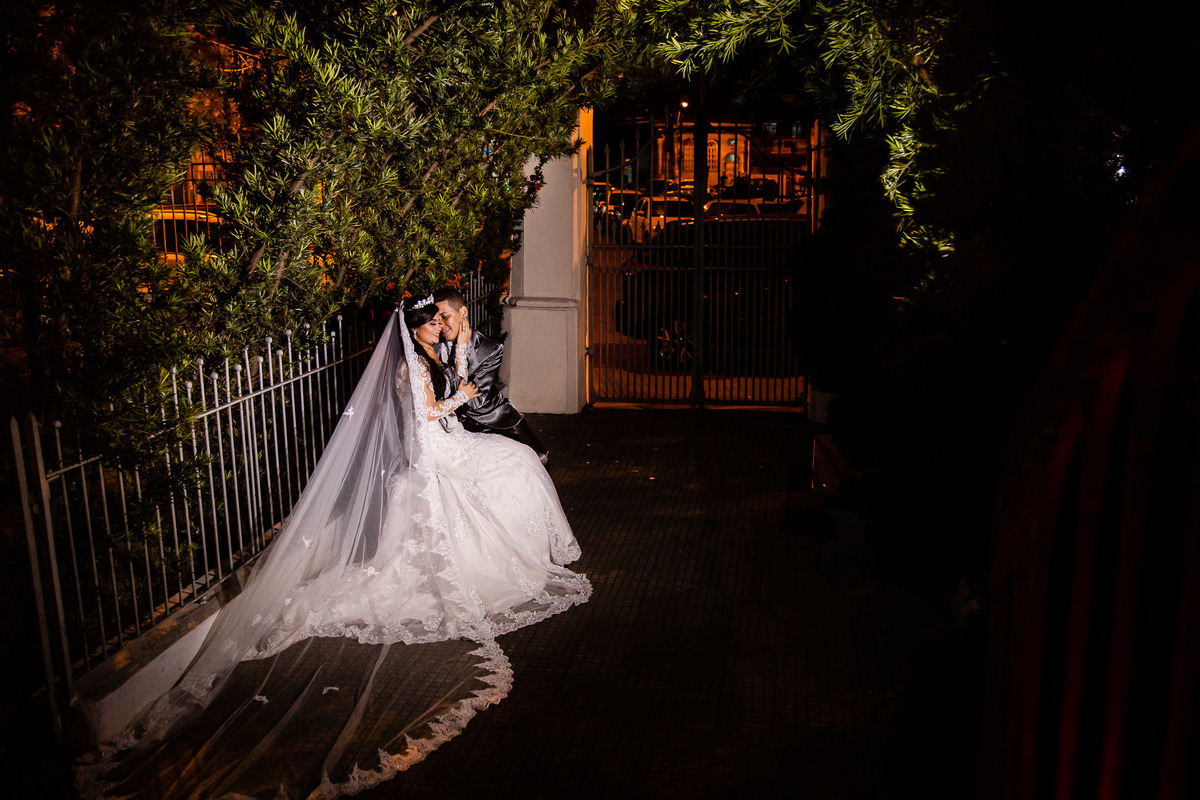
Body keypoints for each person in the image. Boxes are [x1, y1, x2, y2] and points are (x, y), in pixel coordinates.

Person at [77, 299, 590, 800]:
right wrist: (464, 394)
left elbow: (455, 383)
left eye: (440, 319)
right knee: (510, 469)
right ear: (416, 330)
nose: (439, 325)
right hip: (435, 451)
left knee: (516, 463)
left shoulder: (434, 353)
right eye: (432, 321)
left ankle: (518, 548)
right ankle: (483, 564)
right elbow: (426, 416)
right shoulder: (409, 366)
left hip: (451, 438)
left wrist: (462, 374)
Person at [433, 287, 549, 463]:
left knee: (540, 458)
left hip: (495, 419)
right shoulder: (433, 344)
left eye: (445, 316)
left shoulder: (490, 350)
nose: (441, 325)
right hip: (456, 425)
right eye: (436, 319)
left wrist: (460, 351)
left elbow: (476, 402)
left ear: (463, 312)